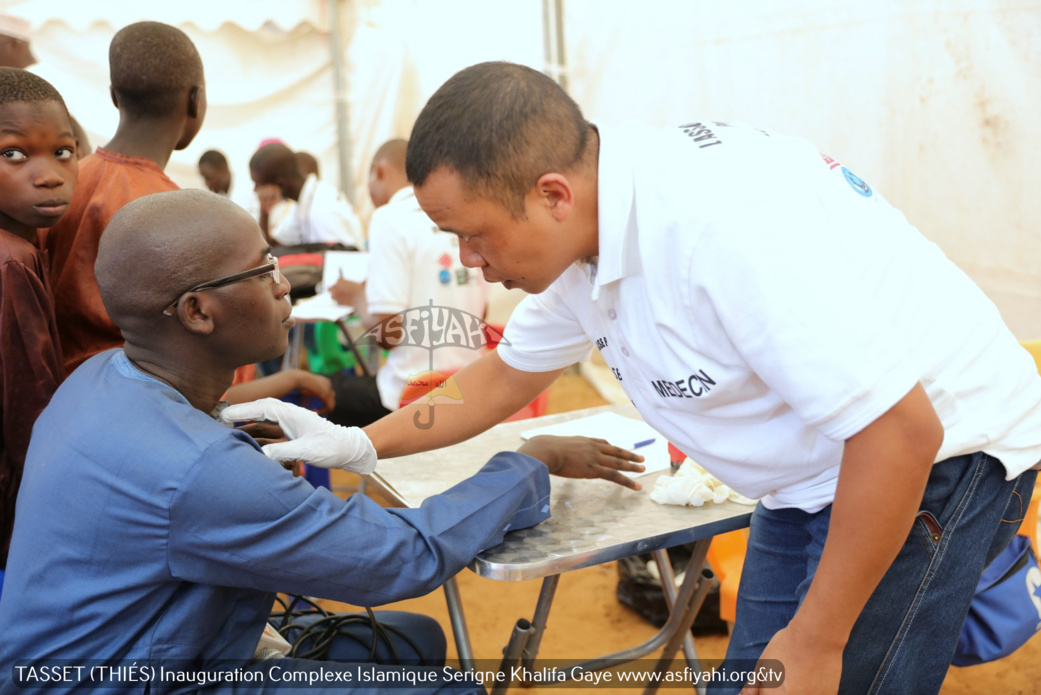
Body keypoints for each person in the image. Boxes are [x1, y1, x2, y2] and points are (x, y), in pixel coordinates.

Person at [268, 62, 1041, 694]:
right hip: (814, 470)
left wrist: (818, 636)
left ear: (552, 195)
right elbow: (500, 376)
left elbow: (901, 430)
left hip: (936, 456)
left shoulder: (721, 231)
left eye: (473, 235)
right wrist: (356, 442)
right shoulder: (583, 233)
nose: (469, 261)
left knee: (819, 668)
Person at [0, 188, 644, 691]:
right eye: (262, 270)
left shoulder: (97, 379)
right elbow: (400, 557)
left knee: (411, 641)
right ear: (197, 311)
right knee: (435, 683)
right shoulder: (199, 471)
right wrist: (526, 464)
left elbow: (496, 376)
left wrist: (338, 437)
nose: (284, 284)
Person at [44, 20, 206, 374]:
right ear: (195, 101)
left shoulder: (61, 184)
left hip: (62, 392)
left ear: (115, 97)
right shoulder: (176, 211)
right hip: (145, 399)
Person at [325, 138, 490, 427]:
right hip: (468, 387)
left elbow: (387, 335)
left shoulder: (389, 217)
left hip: (411, 398)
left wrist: (356, 297)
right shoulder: (456, 208)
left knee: (312, 392)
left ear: (378, 171)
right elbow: (482, 313)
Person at [0, 68, 77, 595]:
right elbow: (31, 417)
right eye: (14, 153)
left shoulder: (29, 247)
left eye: (64, 152)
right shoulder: (12, 262)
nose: (48, 174)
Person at [250, 142, 364, 249]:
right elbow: (270, 247)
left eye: (258, 184)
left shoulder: (321, 210)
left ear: (280, 184)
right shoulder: (302, 203)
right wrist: (264, 211)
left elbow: (341, 263)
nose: (255, 190)